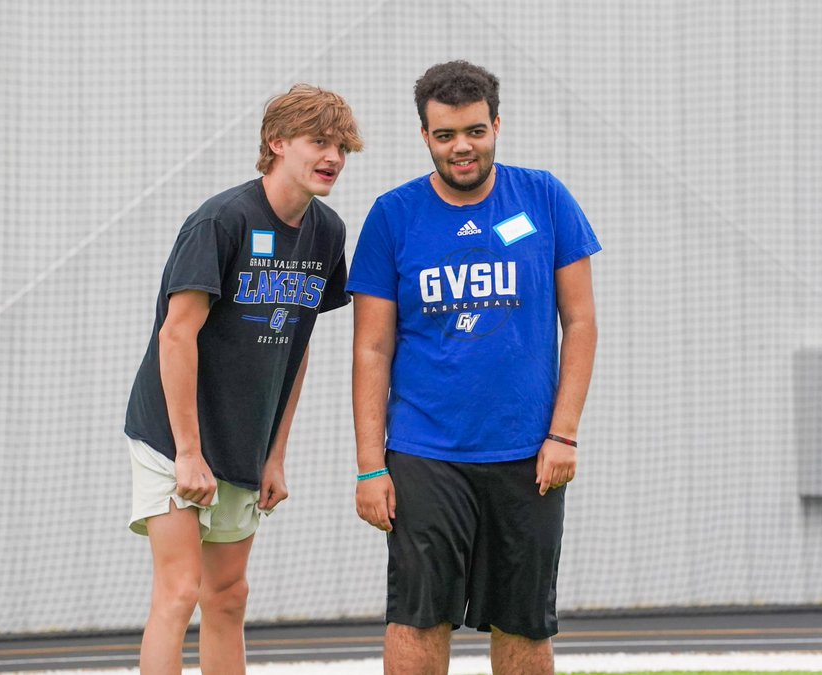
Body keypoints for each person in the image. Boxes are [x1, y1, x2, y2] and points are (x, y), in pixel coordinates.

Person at [347, 61, 600, 675]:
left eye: (475, 131)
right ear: (425, 137)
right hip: (425, 453)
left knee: (523, 620)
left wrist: (563, 434)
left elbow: (583, 323)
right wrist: (369, 466)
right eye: (445, 135)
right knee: (417, 616)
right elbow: (371, 350)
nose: (462, 146)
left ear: (496, 126)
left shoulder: (544, 197)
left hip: (528, 455)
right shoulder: (393, 215)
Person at [124, 84, 362, 674]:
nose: (332, 156)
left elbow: (295, 346)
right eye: (318, 142)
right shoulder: (221, 220)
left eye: (340, 146)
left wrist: (274, 455)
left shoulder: (327, 232)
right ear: (276, 143)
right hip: (172, 436)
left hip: (243, 443)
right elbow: (175, 337)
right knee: (179, 592)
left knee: (228, 596)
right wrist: (186, 452)